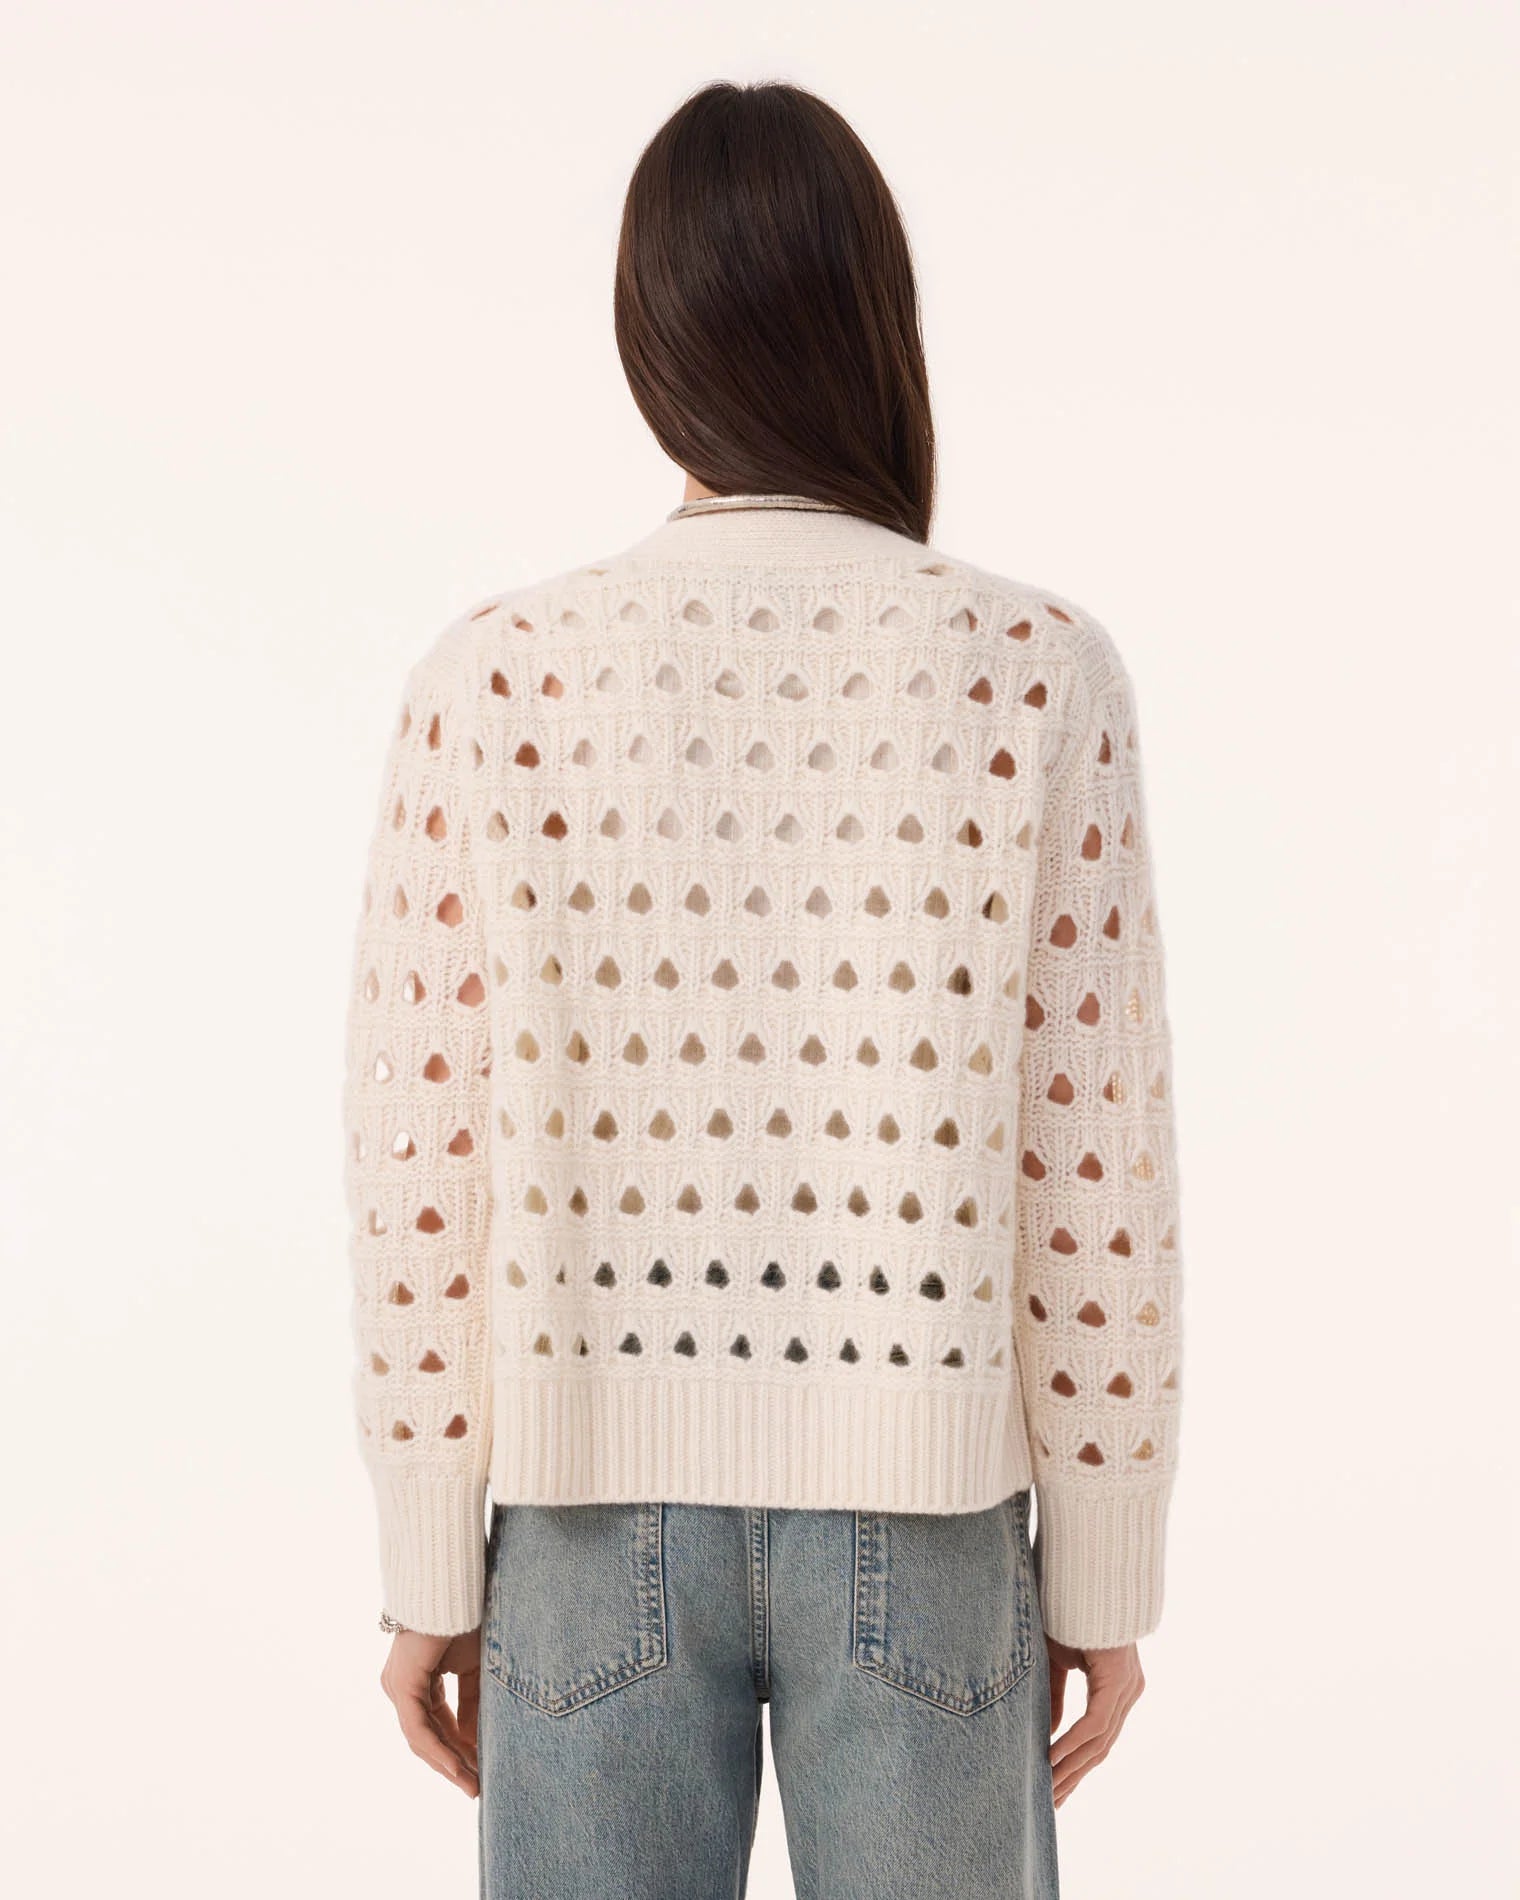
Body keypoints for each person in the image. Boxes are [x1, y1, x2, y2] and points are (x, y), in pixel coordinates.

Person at [341, 77, 1183, 1900]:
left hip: (581, 1515)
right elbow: (1096, 1157)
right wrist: (1109, 1562)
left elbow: (421, 1153)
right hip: (930, 1515)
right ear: (881, 323)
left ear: (649, 341)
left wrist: (425, 1560)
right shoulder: (1037, 668)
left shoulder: (494, 675)